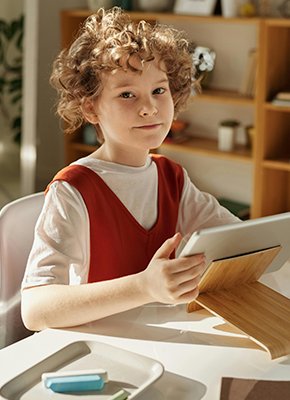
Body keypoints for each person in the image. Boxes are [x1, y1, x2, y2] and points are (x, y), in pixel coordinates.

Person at [21, 7, 239, 331]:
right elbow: (35, 310)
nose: (149, 107)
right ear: (91, 108)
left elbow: (239, 241)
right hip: (101, 351)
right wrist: (143, 287)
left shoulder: (172, 178)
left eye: (158, 90)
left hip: (164, 341)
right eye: (127, 94)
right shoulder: (74, 190)